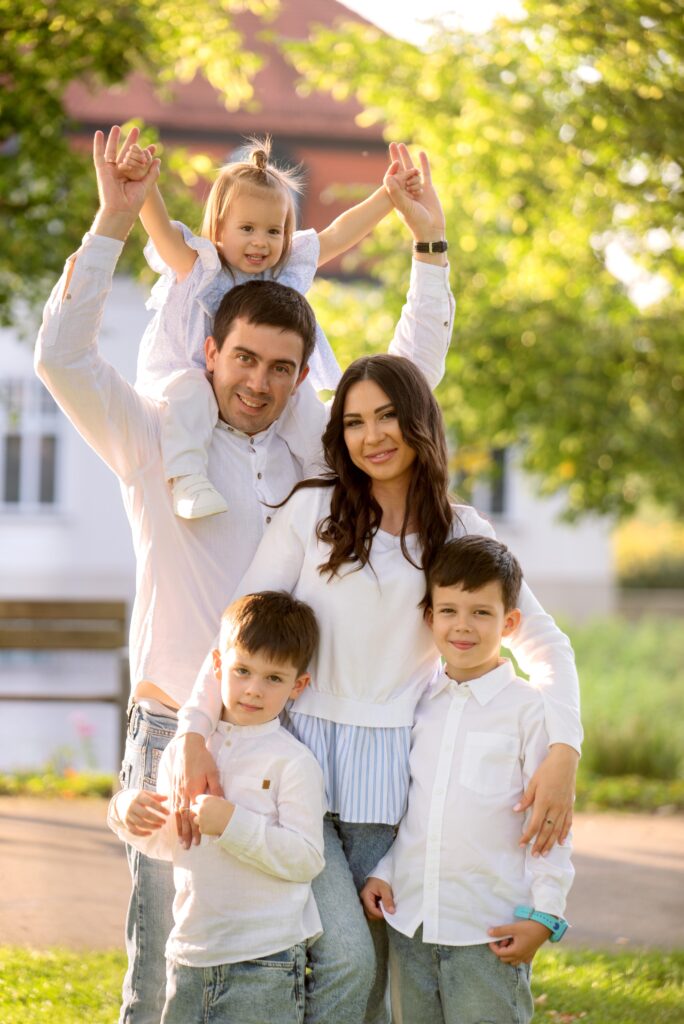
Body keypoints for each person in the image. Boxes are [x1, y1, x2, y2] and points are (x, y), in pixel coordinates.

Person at [34, 124, 454, 1024]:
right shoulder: (151, 434)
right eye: (244, 361)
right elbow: (62, 358)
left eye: (281, 369)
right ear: (210, 352)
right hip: (171, 727)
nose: (258, 384)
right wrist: (112, 219)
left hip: (291, 729)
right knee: (165, 972)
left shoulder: (314, 440)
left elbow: (409, 381)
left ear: (305, 377)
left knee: (313, 960)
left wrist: (429, 249)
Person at [176, 355, 582, 1024]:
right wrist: (196, 728)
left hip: (390, 780)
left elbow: (544, 643)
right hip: (292, 763)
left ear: (419, 420)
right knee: (340, 959)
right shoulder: (312, 510)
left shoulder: (462, 529)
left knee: (365, 974)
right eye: (356, 421)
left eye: (388, 416)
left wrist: (563, 750)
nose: (373, 436)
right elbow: (238, 629)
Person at [119, 134, 422, 519]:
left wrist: (387, 197)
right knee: (192, 395)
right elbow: (161, 234)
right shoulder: (201, 268)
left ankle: (333, 485)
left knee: (305, 408)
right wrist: (144, 188)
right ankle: (188, 479)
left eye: (273, 231)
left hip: (257, 384)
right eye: (247, 229)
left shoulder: (282, 270)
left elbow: (338, 234)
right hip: (192, 374)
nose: (261, 243)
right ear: (219, 229)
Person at [360, 535, 574, 1024]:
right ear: (429, 617)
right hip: (410, 925)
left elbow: (552, 827)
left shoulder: (530, 712)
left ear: (510, 622)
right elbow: (415, 811)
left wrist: (546, 915)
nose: (462, 626)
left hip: (489, 933)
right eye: (449, 610)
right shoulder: (417, 704)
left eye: (481, 612)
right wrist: (386, 871)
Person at [108, 591, 326, 1024]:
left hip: (264, 960)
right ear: (218, 666)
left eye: (273, 678)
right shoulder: (186, 754)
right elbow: (170, 839)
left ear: (298, 686)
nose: (253, 689)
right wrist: (125, 810)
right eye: (242, 670)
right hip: (190, 951)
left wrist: (233, 825)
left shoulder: (294, 762)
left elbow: (307, 859)